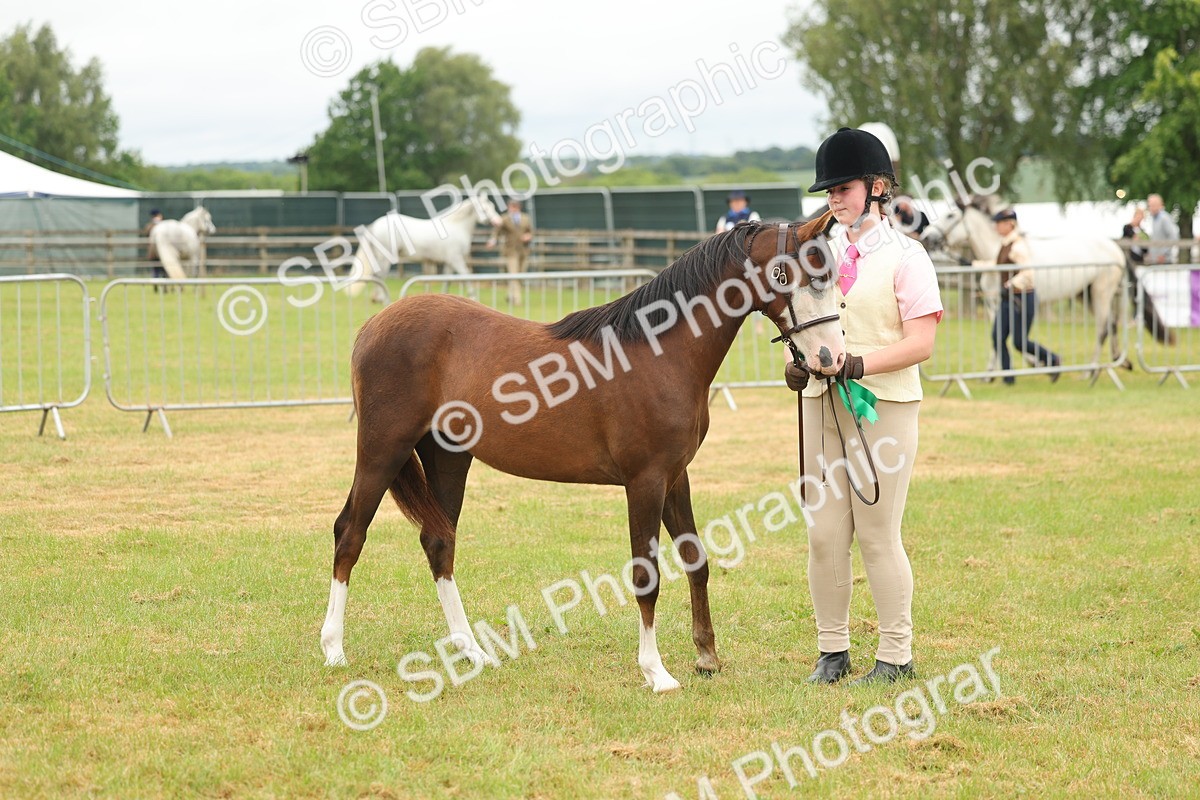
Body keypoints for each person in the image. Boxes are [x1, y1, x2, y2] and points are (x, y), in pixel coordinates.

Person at [784, 127, 943, 685]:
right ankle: (833, 649)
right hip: (819, 406)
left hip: (886, 407)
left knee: (877, 533)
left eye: (843, 188)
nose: (833, 199)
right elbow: (803, 325)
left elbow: (921, 342)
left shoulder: (908, 256)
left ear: (877, 187)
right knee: (824, 532)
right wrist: (799, 362)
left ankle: (896, 654)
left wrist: (858, 364)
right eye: (828, 191)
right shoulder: (816, 255)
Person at [990, 208, 1060, 384]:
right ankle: (1008, 378)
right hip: (1009, 298)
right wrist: (971, 264)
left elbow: (1028, 273)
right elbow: (996, 264)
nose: (996, 227)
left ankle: (1052, 359)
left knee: (1019, 342)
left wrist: (1011, 284)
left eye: (999, 223)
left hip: (1022, 298)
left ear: (1009, 224)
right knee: (997, 336)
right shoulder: (1006, 243)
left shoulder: (1018, 245)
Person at [488, 198, 533, 305]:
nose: (512, 209)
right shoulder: (504, 218)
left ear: (518, 207)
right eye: (510, 207)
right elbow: (496, 232)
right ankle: (517, 300)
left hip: (523, 251)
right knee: (514, 275)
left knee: (520, 275)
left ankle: (510, 295)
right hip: (510, 251)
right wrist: (493, 240)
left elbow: (530, 232)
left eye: (514, 207)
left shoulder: (526, 218)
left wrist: (528, 236)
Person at [1146, 194, 1180, 265]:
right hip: (1156, 260)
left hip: (1164, 261)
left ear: (1160, 205)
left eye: (1153, 205)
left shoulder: (1164, 218)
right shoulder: (1154, 219)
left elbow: (1174, 236)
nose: (1150, 208)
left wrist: (1164, 254)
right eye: (1149, 205)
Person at [142, 208, 166, 287]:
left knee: (159, 269)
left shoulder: (153, 225)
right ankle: (158, 284)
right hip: (158, 252)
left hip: (155, 252)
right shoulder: (153, 226)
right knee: (158, 269)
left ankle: (160, 284)